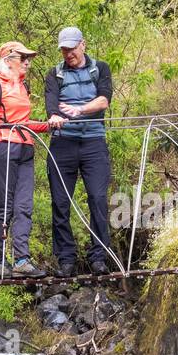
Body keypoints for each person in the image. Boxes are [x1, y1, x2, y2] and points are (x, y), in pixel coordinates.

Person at [43, 26, 113, 277]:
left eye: (71, 48)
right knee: (61, 202)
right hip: (63, 144)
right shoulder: (54, 74)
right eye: (64, 49)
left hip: (94, 143)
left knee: (97, 198)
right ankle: (66, 260)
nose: (68, 53)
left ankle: (99, 257)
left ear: (83, 44)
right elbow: (52, 106)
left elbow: (104, 100)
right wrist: (54, 117)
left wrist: (79, 110)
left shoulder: (100, 69)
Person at [0, 40, 54, 277]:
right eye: (23, 58)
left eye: (28, 58)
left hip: (25, 148)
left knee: (24, 206)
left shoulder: (23, 88)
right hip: (2, 147)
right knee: (4, 205)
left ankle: (22, 259)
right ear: (8, 60)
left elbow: (24, 122)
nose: (27, 62)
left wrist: (49, 125)